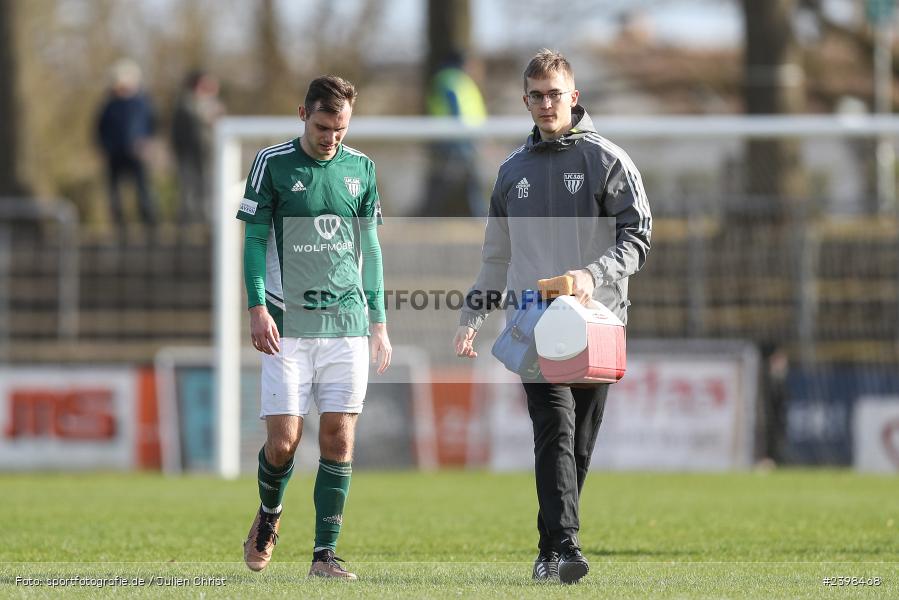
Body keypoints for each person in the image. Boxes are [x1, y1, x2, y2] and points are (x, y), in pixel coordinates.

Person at [453, 49, 652, 584]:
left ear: (573, 96)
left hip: (597, 323)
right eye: (537, 96)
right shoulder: (510, 172)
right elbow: (496, 256)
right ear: (525, 101)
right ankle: (565, 546)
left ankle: (548, 549)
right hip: (534, 324)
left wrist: (593, 274)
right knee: (554, 429)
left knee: (578, 444)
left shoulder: (608, 161)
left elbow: (638, 237)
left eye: (555, 94)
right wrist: (473, 313)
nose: (546, 104)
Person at [236, 75, 391, 580]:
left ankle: (325, 555)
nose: (331, 138)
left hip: (346, 323)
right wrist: (257, 306)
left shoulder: (361, 168)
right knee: (283, 443)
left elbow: (371, 249)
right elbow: (254, 240)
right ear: (303, 114)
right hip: (287, 323)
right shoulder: (272, 163)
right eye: (323, 127)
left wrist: (378, 321)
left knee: (338, 439)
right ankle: (270, 514)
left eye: (340, 129)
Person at [421, 49, 488, 217]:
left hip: (457, 138)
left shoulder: (449, 78)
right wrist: (462, 138)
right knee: (457, 181)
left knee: (453, 182)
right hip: (457, 139)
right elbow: (455, 107)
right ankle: (481, 217)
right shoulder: (452, 78)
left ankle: (428, 216)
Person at [96, 59, 158, 232]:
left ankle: (150, 223)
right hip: (115, 154)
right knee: (115, 192)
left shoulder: (143, 103)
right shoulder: (109, 105)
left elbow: (152, 125)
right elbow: (100, 129)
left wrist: (146, 143)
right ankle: (119, 225)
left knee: (143, 189)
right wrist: (107, 147)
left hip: (138, 153)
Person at [171, 69, 224, 224]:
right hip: (188, 153)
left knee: (209, 186)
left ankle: (209, 220)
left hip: (209, 152)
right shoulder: (185, 104)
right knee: (189, 187)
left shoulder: (215, 104)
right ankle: (188, 222)